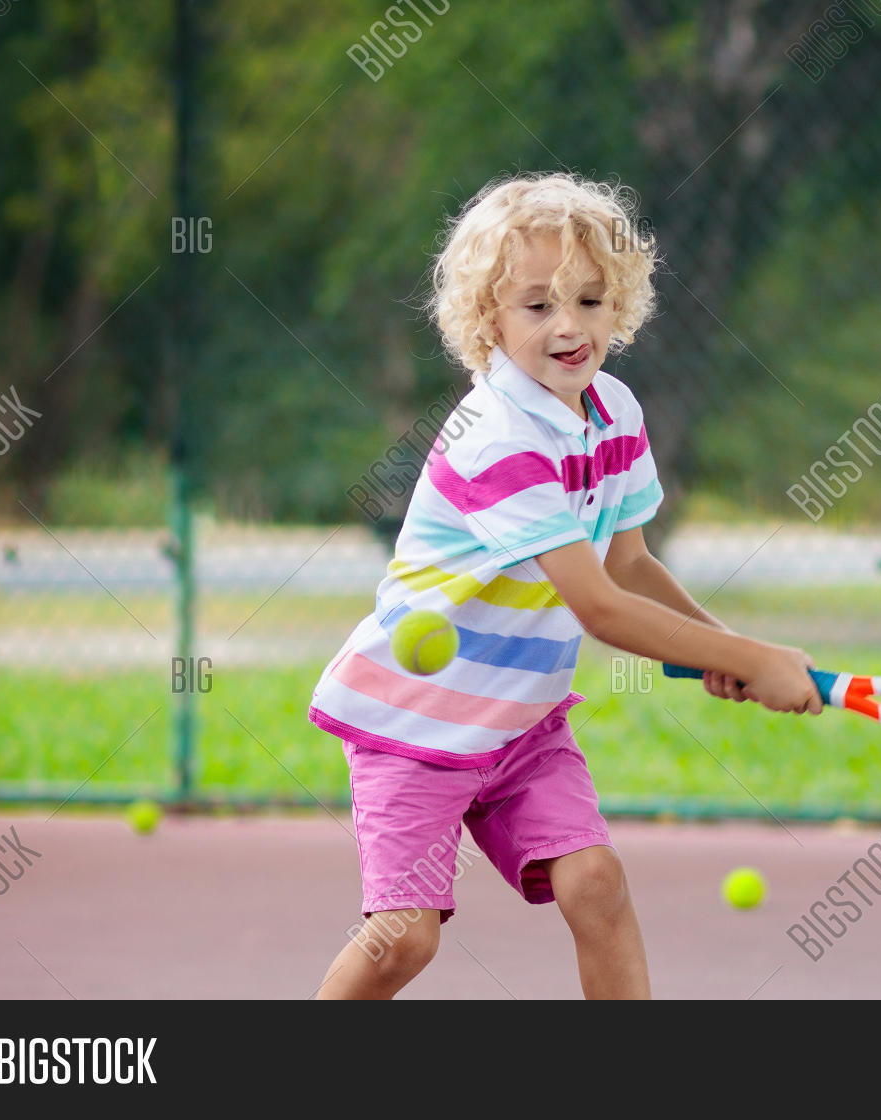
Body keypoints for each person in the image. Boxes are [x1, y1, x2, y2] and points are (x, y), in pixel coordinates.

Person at [309, 172, 821, 999]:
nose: (569, 326)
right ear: (488, 321)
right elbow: (599, 606)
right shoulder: (497, 436)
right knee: (404, 942)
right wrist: (754, 656)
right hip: (416, 722)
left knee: (598, 886)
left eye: (589, 300)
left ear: (620, 305)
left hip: (524, 723)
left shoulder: (614, 411)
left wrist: (719, 655)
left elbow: (631, 566)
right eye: (537, 305)